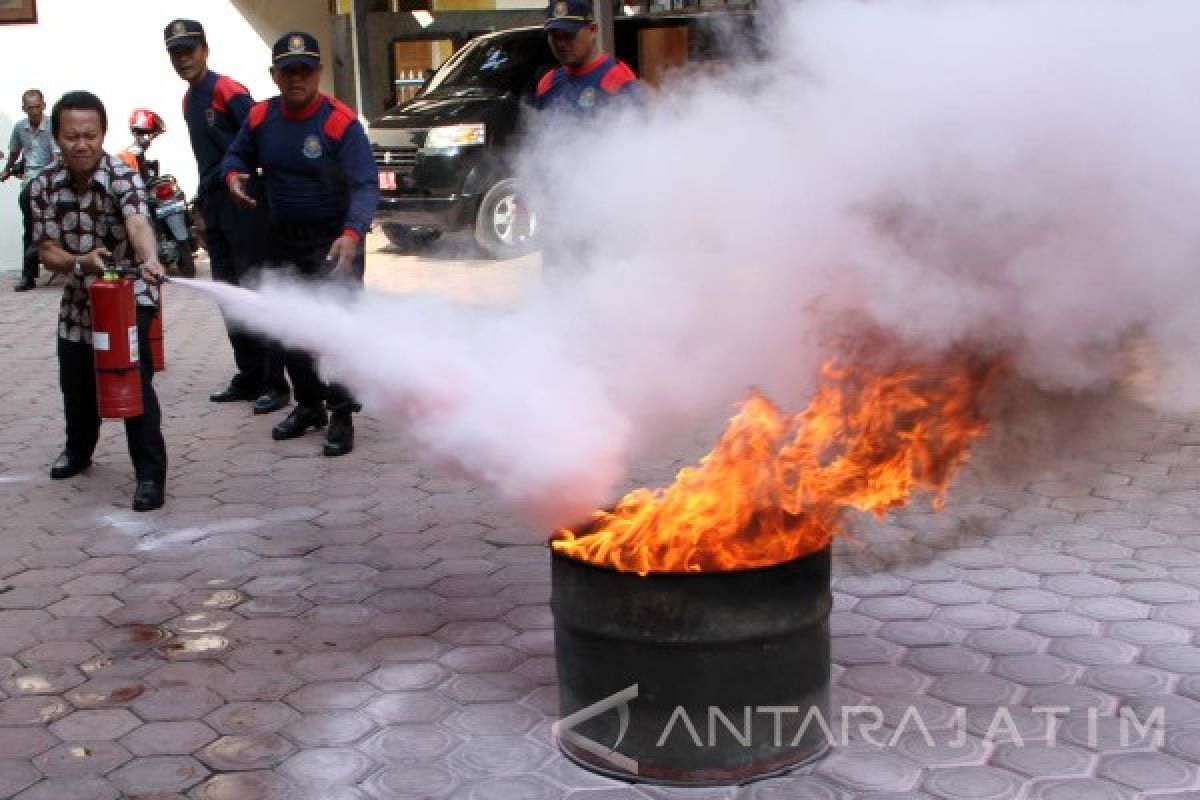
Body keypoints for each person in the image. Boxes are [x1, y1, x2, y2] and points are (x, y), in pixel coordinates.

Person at [221, 31, 379, 457]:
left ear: (318, 73)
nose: (297, 78)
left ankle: (342, 412)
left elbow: (366, 185)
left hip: (334, 243)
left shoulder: (339, 122)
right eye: (288, 70)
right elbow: (235, 156)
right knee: (290, 326)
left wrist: (352, 233)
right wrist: (233, 174)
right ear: (274, 75)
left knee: (335, 331)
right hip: (283, 237)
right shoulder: (259, 118)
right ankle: (309, 405)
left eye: (305, 70)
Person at [29, 90, 168, 511]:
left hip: (129, 295)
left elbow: (138, 220)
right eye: (72, 136)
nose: (82, 144)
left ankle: (149, 475)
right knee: (75, 380)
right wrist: (81, 263)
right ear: (58, 138)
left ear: (103, 135)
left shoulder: (122, 176)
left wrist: (150, 257)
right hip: (78, 298)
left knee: (131, 378)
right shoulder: (41, 186)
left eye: (90, 135)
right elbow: (48, 251)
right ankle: (78, 450)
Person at [165, 18, 287, 412]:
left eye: (190, 50)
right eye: (176, 53)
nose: (183, 59)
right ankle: (249, 374)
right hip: (213, 205)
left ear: (205, 49)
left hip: (243, 201)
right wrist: (202, 209)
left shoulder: (227, 90)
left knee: (254, 290)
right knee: (228, 291)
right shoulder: (188, 100)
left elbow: (261, 134)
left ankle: (276, 381)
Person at [535, 0, 645, 113]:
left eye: (569, 35)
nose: (561, 43)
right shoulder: (547, 83)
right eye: (555, 36)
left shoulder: (619, 80)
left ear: (592, 30)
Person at [2, 89, 58, 291]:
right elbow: (15, 152)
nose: (34, 111)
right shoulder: (19, 128)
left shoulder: (53, 124)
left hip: (52, 176)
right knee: (29, 223)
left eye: (37, 107)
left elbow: (56, 157)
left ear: (44, 105)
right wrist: (7, 170)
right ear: (23, 108)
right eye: (29, 108)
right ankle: (28, 275)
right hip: (30, 180)